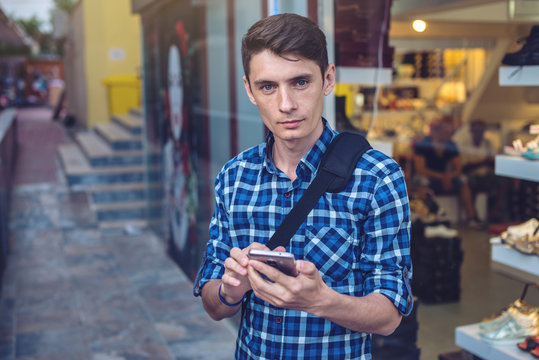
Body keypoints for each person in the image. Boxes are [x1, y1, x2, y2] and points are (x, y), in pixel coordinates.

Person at [193, 13, 413, 359]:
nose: (286, 105)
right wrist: (231, 289)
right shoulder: (234, 177)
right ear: (249, 90)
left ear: (328, 79)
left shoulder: (376, 177)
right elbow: (213, 305)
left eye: (300, 82)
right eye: (268, 86)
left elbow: (389, 315)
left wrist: (321, 301)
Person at [413, 117, 481, 226]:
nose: (450, 134)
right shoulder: (424, 144)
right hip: (429, 176)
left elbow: (458, 168)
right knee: (422, 182)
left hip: (444, 177)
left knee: (463, 180)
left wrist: (448, 176)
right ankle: (426, 218)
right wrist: (442, 176)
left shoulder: (451, 145)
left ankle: (471, 217)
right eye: (447, 131)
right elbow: (420, 169)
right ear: (437, 131)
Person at [453, 119, 507, 222]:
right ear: (471, 131)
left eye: (482, 131)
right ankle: (473, 216)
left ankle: (494, 212)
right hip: (471, 174)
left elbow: (493, 161)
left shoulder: (488, 143)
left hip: (486, 173)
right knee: (467, 182)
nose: (480, 133)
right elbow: (464, 166)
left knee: (504, 181)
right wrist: (483, 161)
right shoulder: (464, 144)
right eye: (477, 131)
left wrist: (484, 161)